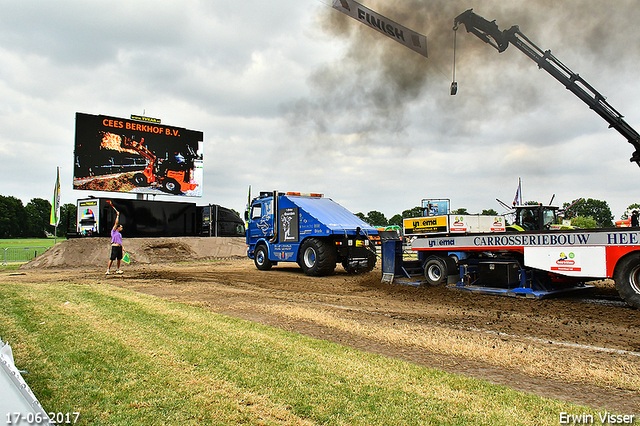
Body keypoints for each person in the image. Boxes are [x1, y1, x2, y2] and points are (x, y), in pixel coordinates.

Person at [106, 208, 124, 275]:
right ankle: (108, 270)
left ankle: (118, 269)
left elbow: (120, 242)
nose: (121, 228)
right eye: (121, 227)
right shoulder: (113, 232)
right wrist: (117, 216)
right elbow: (116, 223)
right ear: (118, 228)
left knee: (119, 259)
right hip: (114, 247)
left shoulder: (119, 234)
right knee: (112, 258)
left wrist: (122, 247)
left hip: (119, 247)